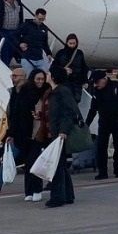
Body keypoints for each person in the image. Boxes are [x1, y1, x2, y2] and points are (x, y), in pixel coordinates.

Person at [86, 70, 118, 179]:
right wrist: (87, 124)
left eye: (97, 82)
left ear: (104, 79)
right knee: (101, 147)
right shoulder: (96, 91)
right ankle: (102, 172)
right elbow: (92, 109)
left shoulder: (116, 87)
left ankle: (117, 169)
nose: (96, 85)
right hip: (104, 122)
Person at [0, 66, 27, 192]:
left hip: (24, 133)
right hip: (17, 132)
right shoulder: (14, 93)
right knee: (10, 157)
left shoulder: (26, 93)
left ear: (23, 78)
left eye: (15, 76)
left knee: (13, 157)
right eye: (12, 76)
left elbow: (20, 116)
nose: (12, 78)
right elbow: (11, 115)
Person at [42, 68, 82, 208]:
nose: (46, 75)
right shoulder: (53, 92)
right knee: (61, 166)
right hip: (53, 132)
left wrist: (63, 130)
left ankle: (57, 197)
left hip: (59, 134)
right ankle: (68, 195)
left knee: (56, 167)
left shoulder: (61, 91)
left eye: (48, 73)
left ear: (52, 76)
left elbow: (68, 112)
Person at [11, 69, 51, 201]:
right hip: (25, 133)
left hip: (39, 133)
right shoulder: (24, 92)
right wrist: (11, 133)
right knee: (28, 163)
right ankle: (29, 191)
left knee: (35, 162)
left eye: (42, 79)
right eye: (38, 79)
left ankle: (37, 189)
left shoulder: (47, 92)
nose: (40, 82)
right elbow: (15, 113)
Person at [17, 9, 52, 75]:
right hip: (27, 57)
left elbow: (45, 43)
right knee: (29, 77)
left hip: (39, 57)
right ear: (35, 16)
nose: (41, 21)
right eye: (40, 19)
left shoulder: (44, 28)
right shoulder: (26, 25)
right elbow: (16, 35)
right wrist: (20, 43)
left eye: (43, 19)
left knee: (44, 76)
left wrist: (48, 53)